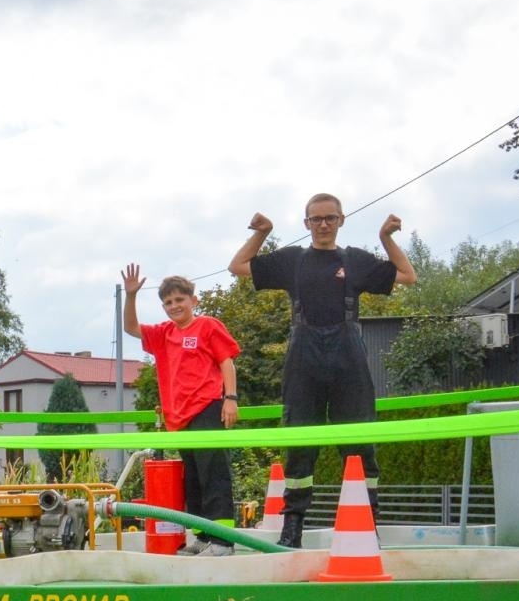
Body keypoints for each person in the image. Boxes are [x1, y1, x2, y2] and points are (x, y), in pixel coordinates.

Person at [229, 194, 415, 548]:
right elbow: (238, 266)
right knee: (300, 440)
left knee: (359, 441)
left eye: (330, 218)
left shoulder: (355, 260)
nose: (324, 224)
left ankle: (367, 523)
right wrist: (262, 233)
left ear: (342, 220)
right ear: (306, 224)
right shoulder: (292, 261)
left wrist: (386, 238)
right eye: (316, 219)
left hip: (349, 358)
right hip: (304, 357)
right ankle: (293, 526)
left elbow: (408, 275)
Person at [120, 266, 242, 556]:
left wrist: (231, 397)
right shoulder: (163, 334)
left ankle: (223, 541)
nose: (175, 306)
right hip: (180, 416)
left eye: (180, 300)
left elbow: (227, 362)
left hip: (208, 407)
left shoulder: (208, 326)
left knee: (214, 475)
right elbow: (130, 328)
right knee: (194, 479)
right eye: (169, 302)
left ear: (193, 301)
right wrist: (131, 296)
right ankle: (202, 536)